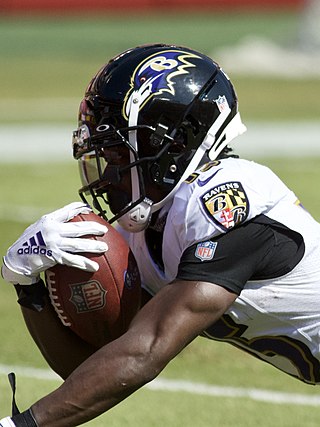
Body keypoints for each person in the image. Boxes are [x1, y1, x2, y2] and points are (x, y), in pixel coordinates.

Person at [1, 43, 320, 427]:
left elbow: (145, 352)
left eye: (118, 157)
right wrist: (29, 288)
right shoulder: (151, 227)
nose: (106, 177)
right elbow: (96, 371)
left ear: (176, 143)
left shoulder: (229, 199)